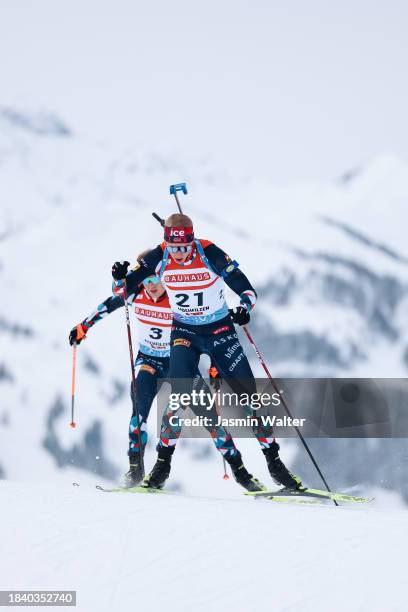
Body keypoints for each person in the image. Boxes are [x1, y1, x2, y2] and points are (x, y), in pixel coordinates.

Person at [111, 214, 303, 491]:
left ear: (192, 240)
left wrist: (244, 308)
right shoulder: (159, 255)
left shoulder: (208, 251)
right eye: (173, 247)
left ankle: (275, 464)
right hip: (184, 332)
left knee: (249, 398)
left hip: (219, 331)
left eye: (184, 247)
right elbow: (124, 291)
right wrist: (119, 277)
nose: (178, 253)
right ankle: (161, 467)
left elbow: (246, 288)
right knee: (178, 397)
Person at [70, 257, 263, 490]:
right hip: (148, 362)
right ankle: (135, 473)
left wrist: (214, 363)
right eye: (147, 280)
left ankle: (242, 474)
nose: (151, 285)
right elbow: (108, 304)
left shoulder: (176, 301)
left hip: (178, 363)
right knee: (137, 418)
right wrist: (83, 327)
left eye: (157, 279)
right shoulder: (135, 295)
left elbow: (205, 330)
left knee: (212, 421)